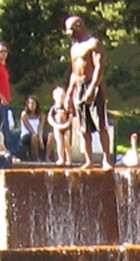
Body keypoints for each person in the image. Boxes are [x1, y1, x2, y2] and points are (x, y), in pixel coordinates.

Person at [65, 16, 109, 168]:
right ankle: (89, 160)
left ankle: (106, 160)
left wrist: (92, 89)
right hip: (79, 86)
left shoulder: (93, 44)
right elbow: (73, 72)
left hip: (93, 85)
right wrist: (69, 93)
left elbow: (99, 68)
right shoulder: (73, 48)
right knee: (83, 128)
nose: (68, 33)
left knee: (100, 124)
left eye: (70, 29)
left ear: (79, 26)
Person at [47, 86, 73, 164]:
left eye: (62, 96)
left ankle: (69, 159)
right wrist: (55, 125)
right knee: (59, 142)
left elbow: (71, 117)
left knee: (66, 141)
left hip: (66, 127)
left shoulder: (67, 107)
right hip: (57, 127)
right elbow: (50, 118)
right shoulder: (54, 108)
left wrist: (67, 124)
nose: (61, 98)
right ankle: (61, 158)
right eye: (59, 96)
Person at [18, 95, 45, 160]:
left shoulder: (41, 115)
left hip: (37, 134)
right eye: (29, 103)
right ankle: (36, 157)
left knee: (50, 136)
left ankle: (47, 157)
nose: (31, 105)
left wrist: (40, 139)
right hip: (26, 135)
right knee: (34, 136)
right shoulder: (24, 114)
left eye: (33, 103)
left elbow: (40, 127)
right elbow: (29, 128)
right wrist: (36, 135)